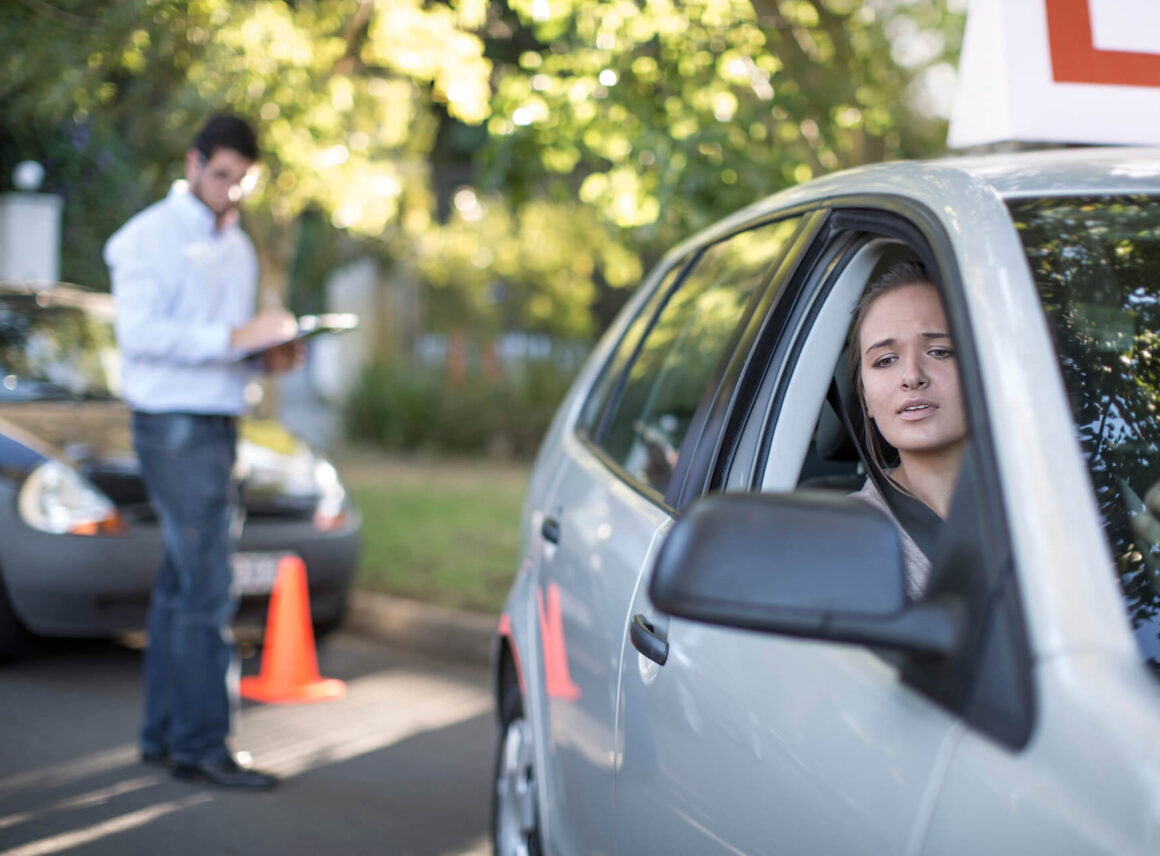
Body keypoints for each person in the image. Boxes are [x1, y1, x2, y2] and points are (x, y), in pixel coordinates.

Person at [104, 114, 300, 791]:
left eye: (244, 181)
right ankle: (202, 746)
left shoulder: (238, 245)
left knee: (181, 585)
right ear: (193, 164)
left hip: (218, 421)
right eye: (222, 176)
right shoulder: (144, 239)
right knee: (208, 586)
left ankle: (164, 738)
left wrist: (266, 355)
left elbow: (227, 348)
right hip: (171, 425)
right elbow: (140, 335)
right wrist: (235, 334)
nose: (232, 192)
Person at [847, 261, 968, 600]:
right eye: (885, 360)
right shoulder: (844, 538)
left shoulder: (1060, 502)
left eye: (940, 351)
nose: (912, 375)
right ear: (867, 399)